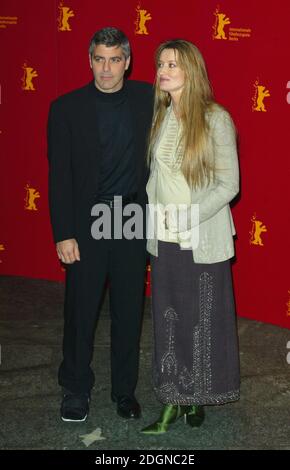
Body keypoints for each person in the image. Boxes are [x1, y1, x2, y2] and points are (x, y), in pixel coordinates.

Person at [47, 27, 153, 422]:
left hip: (130, 218)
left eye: (114, 59)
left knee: (129, 311)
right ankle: (75, 388)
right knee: (81, 311)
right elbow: (59, 177)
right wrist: (63, 233)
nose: (106, 68)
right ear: (89, 60)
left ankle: (124, 391)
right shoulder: (66, 108)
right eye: (98, 59)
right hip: (87, 221)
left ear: (128, 61)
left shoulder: (149, 98)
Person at [141, 39, 240, 434]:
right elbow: (156, 180)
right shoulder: (160, 114)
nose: (163, 70)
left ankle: (197, 398)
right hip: (162, 236)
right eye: (161, 63)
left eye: (173, 64)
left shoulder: (216, 118)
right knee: (169, 319)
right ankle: (172, 399)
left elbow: (228, 183)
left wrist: (190, 218)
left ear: (191, 71)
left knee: (203, 320)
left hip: (199, 236)